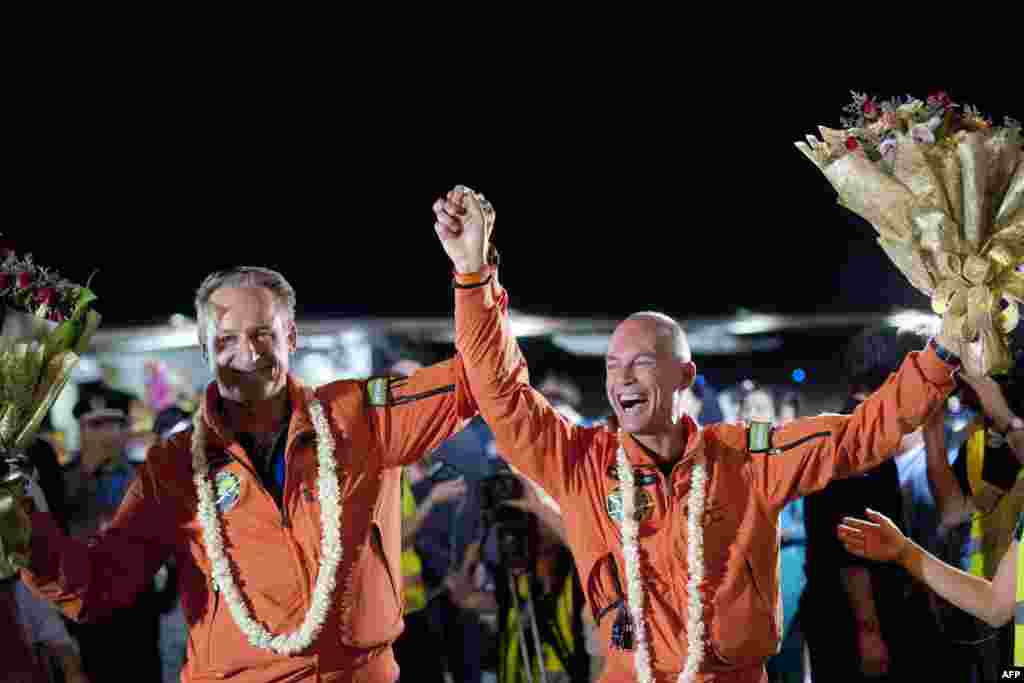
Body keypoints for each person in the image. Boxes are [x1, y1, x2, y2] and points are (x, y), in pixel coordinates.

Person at [433, 186, 962, 682]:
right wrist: (473, 277)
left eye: (642, 363)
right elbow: (501, 395)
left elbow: (858, 436)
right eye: (612, 366)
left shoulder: (746, 459)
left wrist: (943, 355)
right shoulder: (581, 464)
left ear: (684, 378)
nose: (622, 380)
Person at [9, 266, 479, 682]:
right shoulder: (173, 467)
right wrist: (21, 526)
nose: (248, 354)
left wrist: (474, 272)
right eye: (227, 339)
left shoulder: (357, 416)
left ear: (291, 336)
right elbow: (97, 586)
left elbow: (482, 379)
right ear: (204, 348)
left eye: (262, 334)